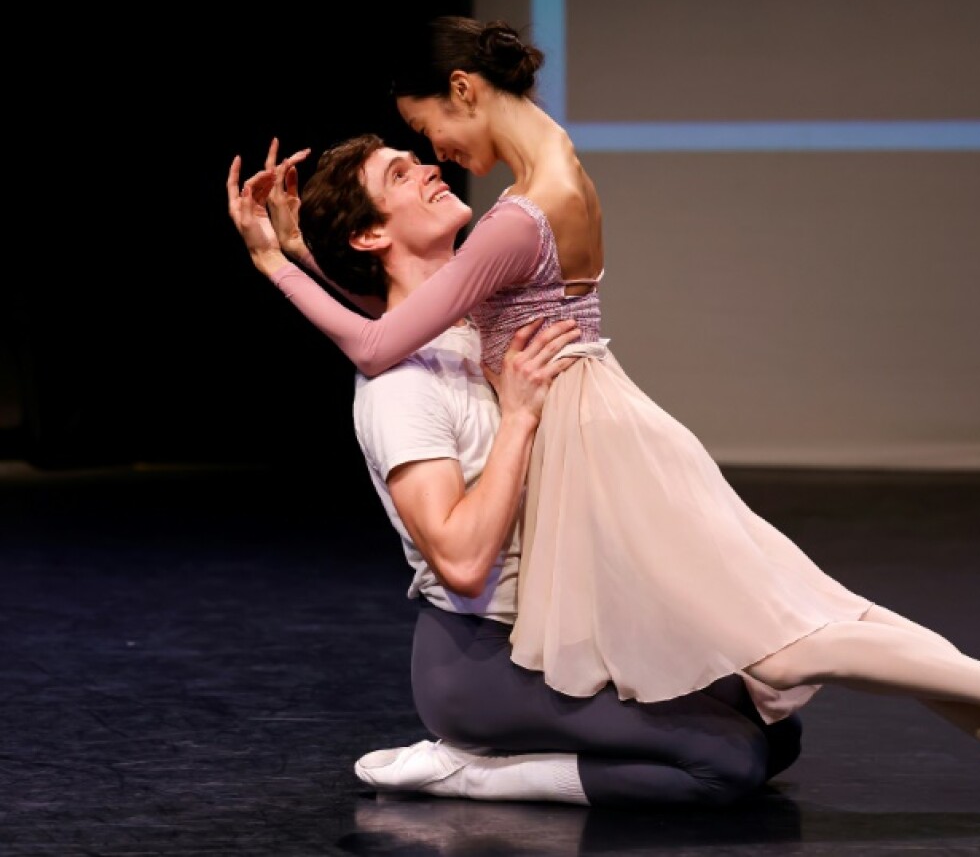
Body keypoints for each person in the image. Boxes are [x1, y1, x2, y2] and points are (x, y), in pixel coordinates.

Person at [232, 17, 980, 820]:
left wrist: (278, 265)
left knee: (795, 628)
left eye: (424, 127)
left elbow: (383, 336)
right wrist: (303, 253)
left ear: (463, 88)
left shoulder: (517, 217)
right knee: (802, 619)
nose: (437, 153)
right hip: (593, 433)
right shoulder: (543, 185)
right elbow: (404, 325)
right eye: (412, 157)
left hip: (598, 443)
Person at [226, 140, 806, 807]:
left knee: (777, 728)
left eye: (419, 161)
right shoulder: (399, 392)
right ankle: (471, 772)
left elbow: (385, 310)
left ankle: (554, 741)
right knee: (726, 761)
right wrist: (519, 417)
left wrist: (297, 250)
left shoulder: (474, 319)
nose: (430, 170)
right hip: (483, 661)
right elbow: (464, 562)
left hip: (559, 630)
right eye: (401, 173)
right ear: (370, 232)